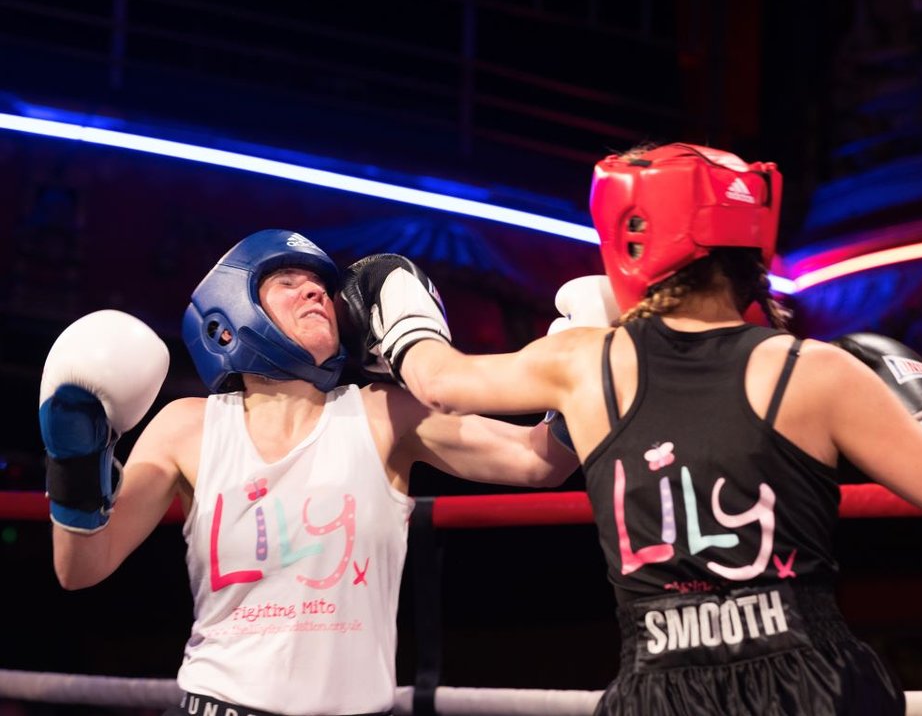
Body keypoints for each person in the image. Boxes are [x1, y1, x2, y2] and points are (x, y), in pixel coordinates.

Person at [340, 142, 922, 715]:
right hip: (812, 684)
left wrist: (394, 292)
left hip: (660, 688)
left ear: (630, 237)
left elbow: (439, 382)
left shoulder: (583, 364)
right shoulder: (814, 372)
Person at [38, 228, 578, 716]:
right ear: (228, 320)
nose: (315, 291)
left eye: (320, 286)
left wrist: (579, 375)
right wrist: (73, 462)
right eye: (288, 282)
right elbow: (81, 568)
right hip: (219, 704)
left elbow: (540, 460)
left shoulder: (384, 414)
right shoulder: (189, 427)